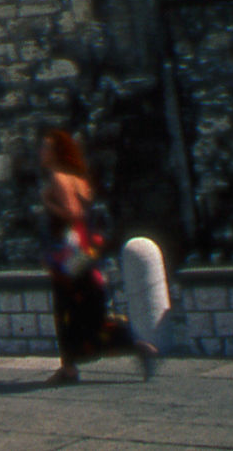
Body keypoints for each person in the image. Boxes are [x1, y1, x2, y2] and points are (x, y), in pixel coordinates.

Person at [38, 128, 154, 383]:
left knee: (66, 312)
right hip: (87, 256)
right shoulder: (79, 178)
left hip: (69, 259)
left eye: (46, 147)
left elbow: (74, 214)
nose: (41, 152)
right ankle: (135, 346)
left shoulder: (58, 178)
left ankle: (70, 368)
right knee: (88, 312)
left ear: (57, 151)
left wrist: (48, 202)